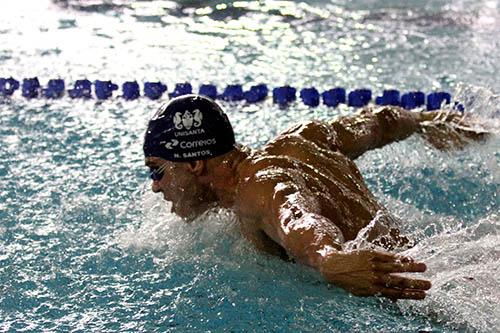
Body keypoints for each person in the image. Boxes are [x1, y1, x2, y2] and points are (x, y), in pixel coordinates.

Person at [143, 94, 487, 300]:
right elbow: (379, 122)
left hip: (422, 292)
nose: (156, 186)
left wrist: (328, 259)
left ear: (194, 163)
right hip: (449, 262)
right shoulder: (301, 140)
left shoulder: (255, 191)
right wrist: (427, 120)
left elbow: (296, 216)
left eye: (156, 170)